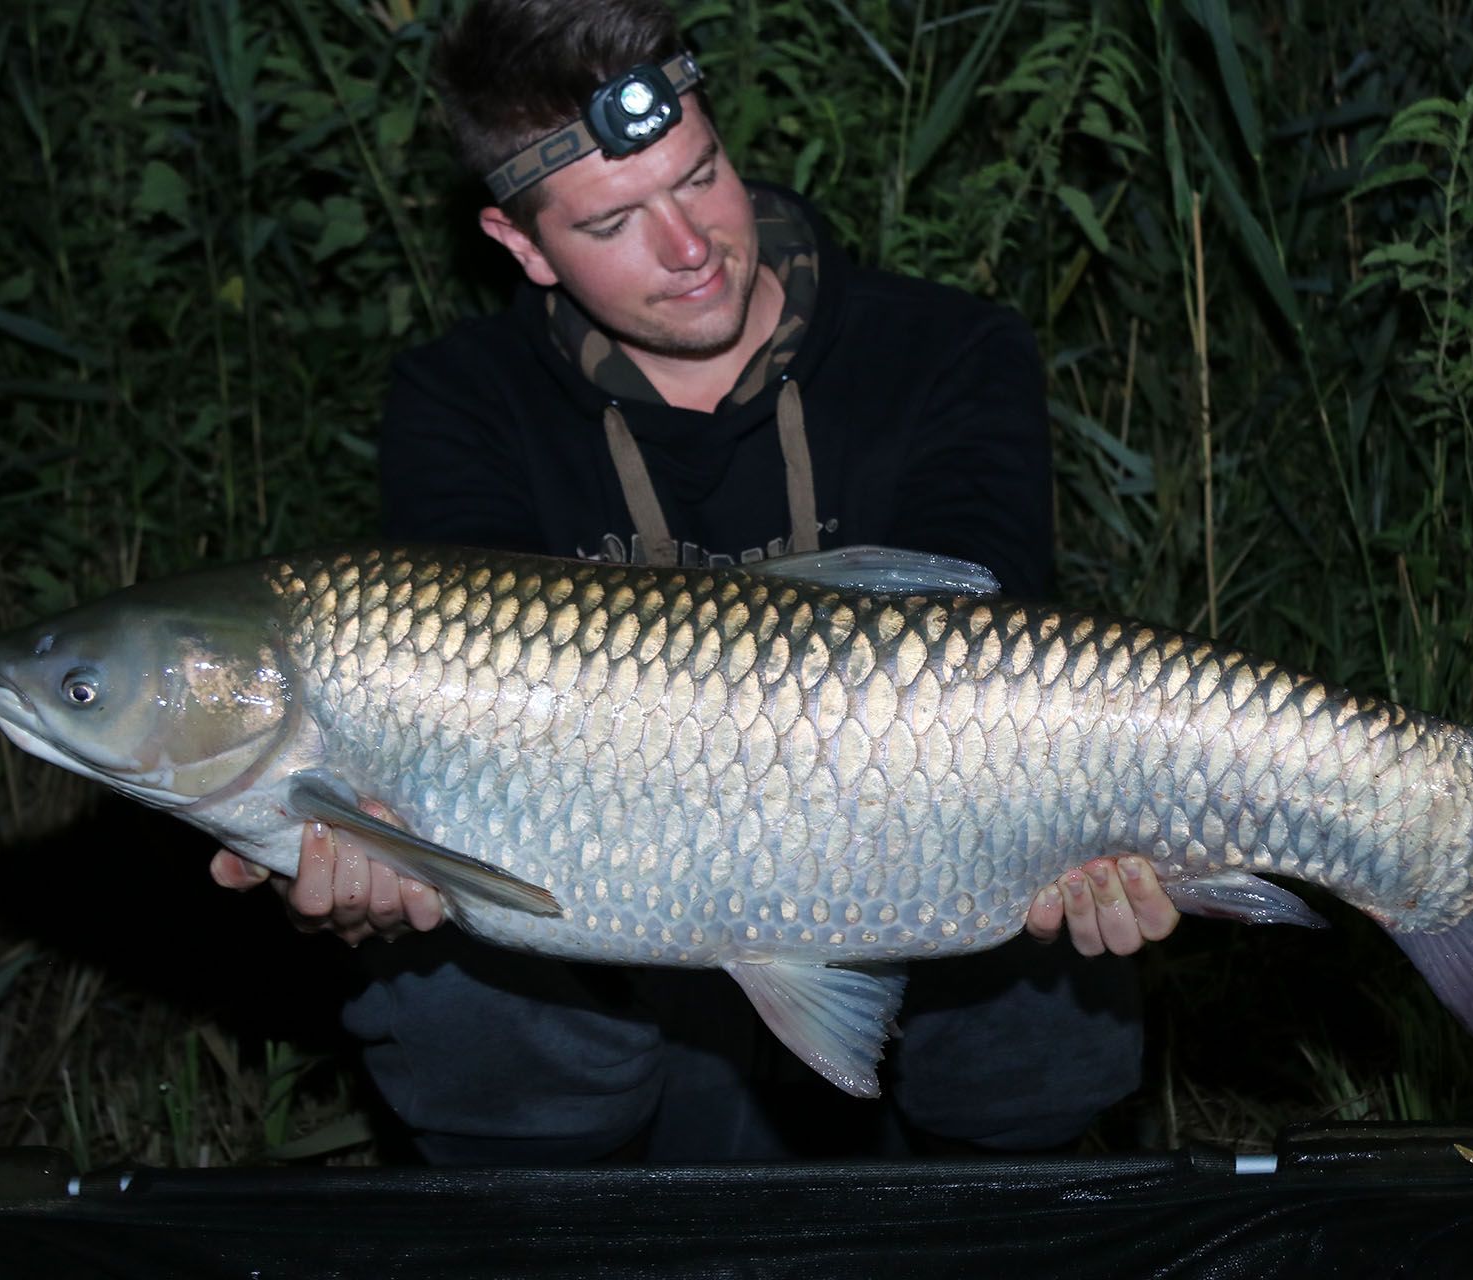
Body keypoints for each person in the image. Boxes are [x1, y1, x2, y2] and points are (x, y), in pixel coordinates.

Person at [212, 0, 1181, 1162]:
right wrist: (371, 849)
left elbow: (989, 648)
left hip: (920, 862)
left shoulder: (946, 350)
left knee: (1049, 1015)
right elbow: (433, 724)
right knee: (453, 1005)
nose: (690, 246)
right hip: (601, 916)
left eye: (703, 174)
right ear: (521, 247)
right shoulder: (461, 400)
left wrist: (1102, 828)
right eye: (615, 220)